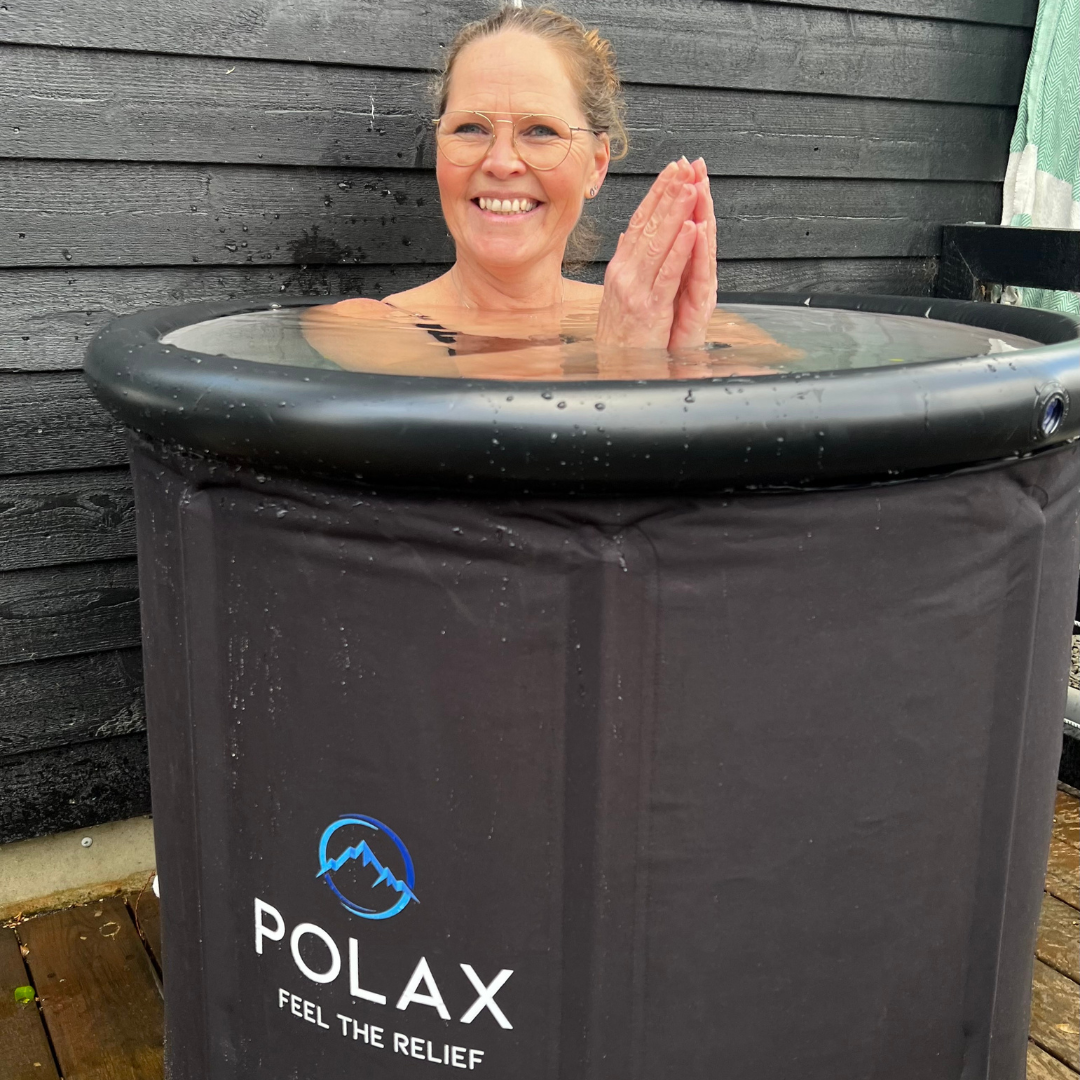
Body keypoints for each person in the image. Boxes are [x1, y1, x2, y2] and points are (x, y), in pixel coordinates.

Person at [303, 4, 796, 378]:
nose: (500, 162)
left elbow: (794, 426)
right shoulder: (365, 326)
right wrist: (632, 358)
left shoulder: (691, 323)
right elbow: (481, 438)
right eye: (470, 128)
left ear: (596, 166)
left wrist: (683, 348)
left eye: (541, 130)